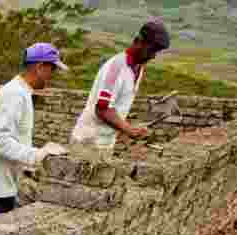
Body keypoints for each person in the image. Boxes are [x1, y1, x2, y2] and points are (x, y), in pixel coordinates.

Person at [0, 42, 70, 226]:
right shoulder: (14, 95)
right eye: (52, 69)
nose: (52, 76)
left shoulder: (21, 92)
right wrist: (38, 155)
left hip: (0, 184)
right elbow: (0, 141)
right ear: (40, 67)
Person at [70, 19, 172, 156]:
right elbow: (102, 109)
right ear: (138, 41)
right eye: (151, 50)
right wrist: (129, 130)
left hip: (104, 143)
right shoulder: (116, 67)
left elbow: (116, 107)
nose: (153, 56)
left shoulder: (138, 68)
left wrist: (126, 129)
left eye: (156, 51)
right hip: (88, 142)